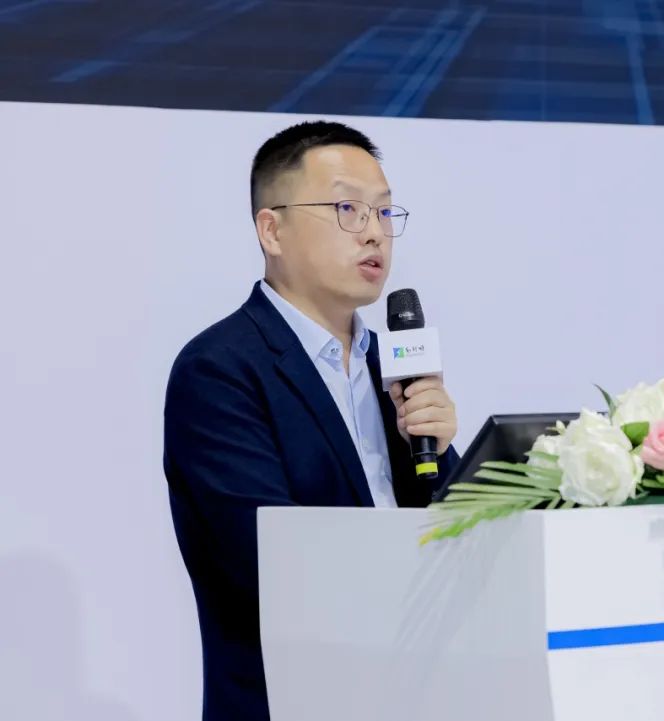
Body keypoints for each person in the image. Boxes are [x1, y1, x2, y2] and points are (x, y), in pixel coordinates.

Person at [163, 121, 460, 721]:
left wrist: (443, 455)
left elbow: (459, 547)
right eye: (348, 209)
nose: (374, 232)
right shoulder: (219, 370)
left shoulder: (392, 371)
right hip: (292, 701)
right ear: (271, 230)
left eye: (384, 212)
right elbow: (271, 564)